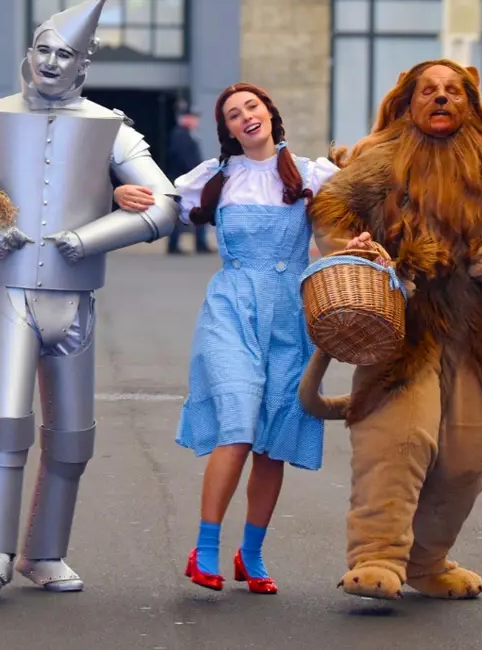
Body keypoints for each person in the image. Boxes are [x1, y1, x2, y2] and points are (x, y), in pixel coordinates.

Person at [0, 0, 181, 593]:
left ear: (84, 64)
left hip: (75, 295)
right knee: (5, 425)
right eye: (44, 50)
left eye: (65, 54)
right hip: (9, 292)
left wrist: (92, 236)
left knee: (73, 437)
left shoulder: (112, 128)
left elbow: (165, 204)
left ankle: (44, 552)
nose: (52, 62)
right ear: (29, 53)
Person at [307, 59, 482, 602]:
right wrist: (359, 251)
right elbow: (331, 212)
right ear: (408, 102)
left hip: (475, 334)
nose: (442, 98)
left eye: (453, 90)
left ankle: (427, 562)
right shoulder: (381, 157)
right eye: (429, 91)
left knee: (466, 460)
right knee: (398, 442)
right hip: (399, 326)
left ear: (470, 102)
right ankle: (378, 556)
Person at [124, 83, 339, 593]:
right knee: (238, 427)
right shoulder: (213, 177)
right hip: (231, 310)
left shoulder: (312, 175)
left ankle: (252, 555)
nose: (246, 117)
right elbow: (156, 207)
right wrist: (119, 193)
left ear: (270, 112)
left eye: (252, 107)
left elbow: (347, 224)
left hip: (290, 317)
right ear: (227, 130)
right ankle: (205, 548)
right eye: (234, 114)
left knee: (272, 442)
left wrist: (360, 241)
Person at [165, 104, 210, 254]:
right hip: (185, 181)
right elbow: (185, 159)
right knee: (184, 211)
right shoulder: (181, 135)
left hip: (187, 180)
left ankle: (198, 243)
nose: (196, 121)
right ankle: (179, 245)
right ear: (186, 119)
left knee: (195, 210)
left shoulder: (186, 134)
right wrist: (197, 175)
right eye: (194, 118)